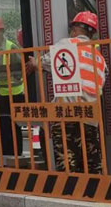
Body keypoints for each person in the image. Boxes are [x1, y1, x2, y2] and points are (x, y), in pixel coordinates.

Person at [28, 11, 106, 173]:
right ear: (92, 33)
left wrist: (34, 63)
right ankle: (94, 187)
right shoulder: (99, 57)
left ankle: (71, 187)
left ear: (75, 29)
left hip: (66, 113)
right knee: (91, 163)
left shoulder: (67, 44)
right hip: (90, 116)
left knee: (67, 162)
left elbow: (45, 62)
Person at [0, 16, 25, 164]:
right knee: (1, 131)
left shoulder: (11, 48)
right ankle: (5, 161)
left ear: (2, 31)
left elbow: (21, 70)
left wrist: (10, 75)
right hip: (0, 97)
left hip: (14, 95)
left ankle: (16, 160)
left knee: (13, 131)